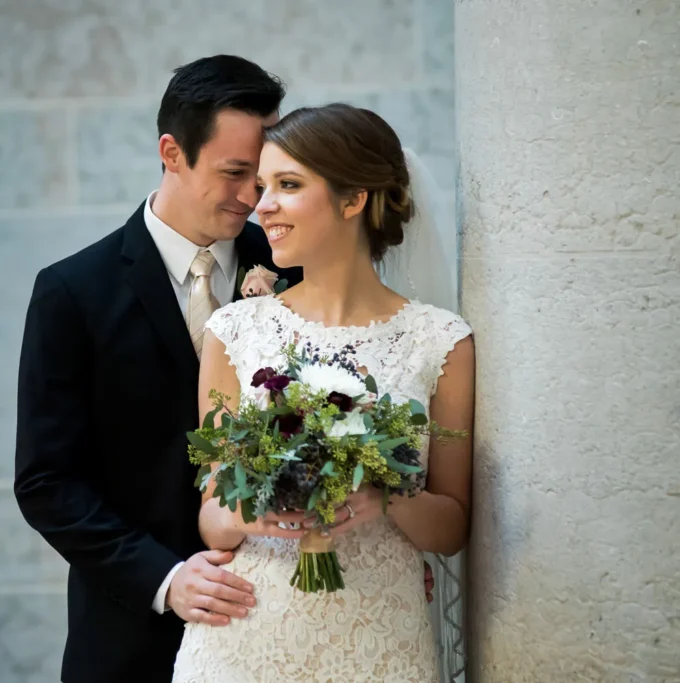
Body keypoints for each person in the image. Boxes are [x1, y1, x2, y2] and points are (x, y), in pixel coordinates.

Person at [14, 55, 300, 683]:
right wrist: (164, 578)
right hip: (130, 641)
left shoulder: (297, 275)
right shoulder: (72, 292)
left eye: (268, 174)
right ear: (172, 152)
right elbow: (46, 482)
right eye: (235, 172)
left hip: (285, 624)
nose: (255, 196)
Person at [171, 103, 475, 682]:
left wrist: (385, 497)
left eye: (287, 185)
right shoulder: (233, 331)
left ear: (353, 199)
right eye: (262, 186)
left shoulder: (442, 342)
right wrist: (254, 505)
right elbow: (212, 517)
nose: (262, 206)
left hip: (380, 639)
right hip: (246, 634)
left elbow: (454, 529)